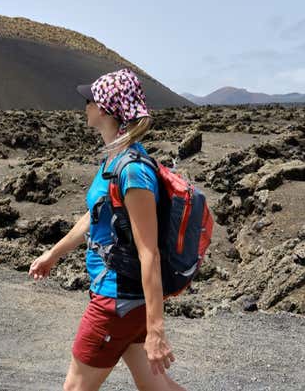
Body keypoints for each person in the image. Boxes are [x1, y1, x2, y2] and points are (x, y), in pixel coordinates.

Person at [28, 68, 187, 391]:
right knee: (155, 386)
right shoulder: (114, 161)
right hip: (128, 301)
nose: (84, 105)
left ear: (104, 109)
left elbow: (149, 252)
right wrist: (53, 255)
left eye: (89, 99)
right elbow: (94, 216)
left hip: (116, 301)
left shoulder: (132, 171)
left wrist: (156, 330)